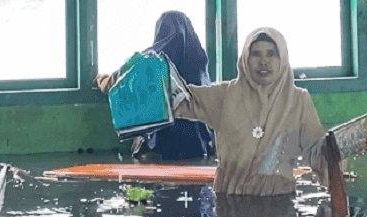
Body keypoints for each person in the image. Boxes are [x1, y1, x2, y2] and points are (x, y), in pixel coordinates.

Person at [172, 27, 328, 196]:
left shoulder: (298, 100)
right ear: (245, 58)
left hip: (278, 202)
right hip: (231, 200)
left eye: (271, 54)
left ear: (283, 58)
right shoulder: (224, 95)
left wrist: (334, 157)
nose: (263, 61)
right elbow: (180, 100)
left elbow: (316, 150)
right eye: (255, 54)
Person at [96, 11, 214, 161]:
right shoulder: (199, 60)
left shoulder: (150, 60)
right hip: (198, 145)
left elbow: (117, 82)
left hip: (158, 146)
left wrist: (102, 79)